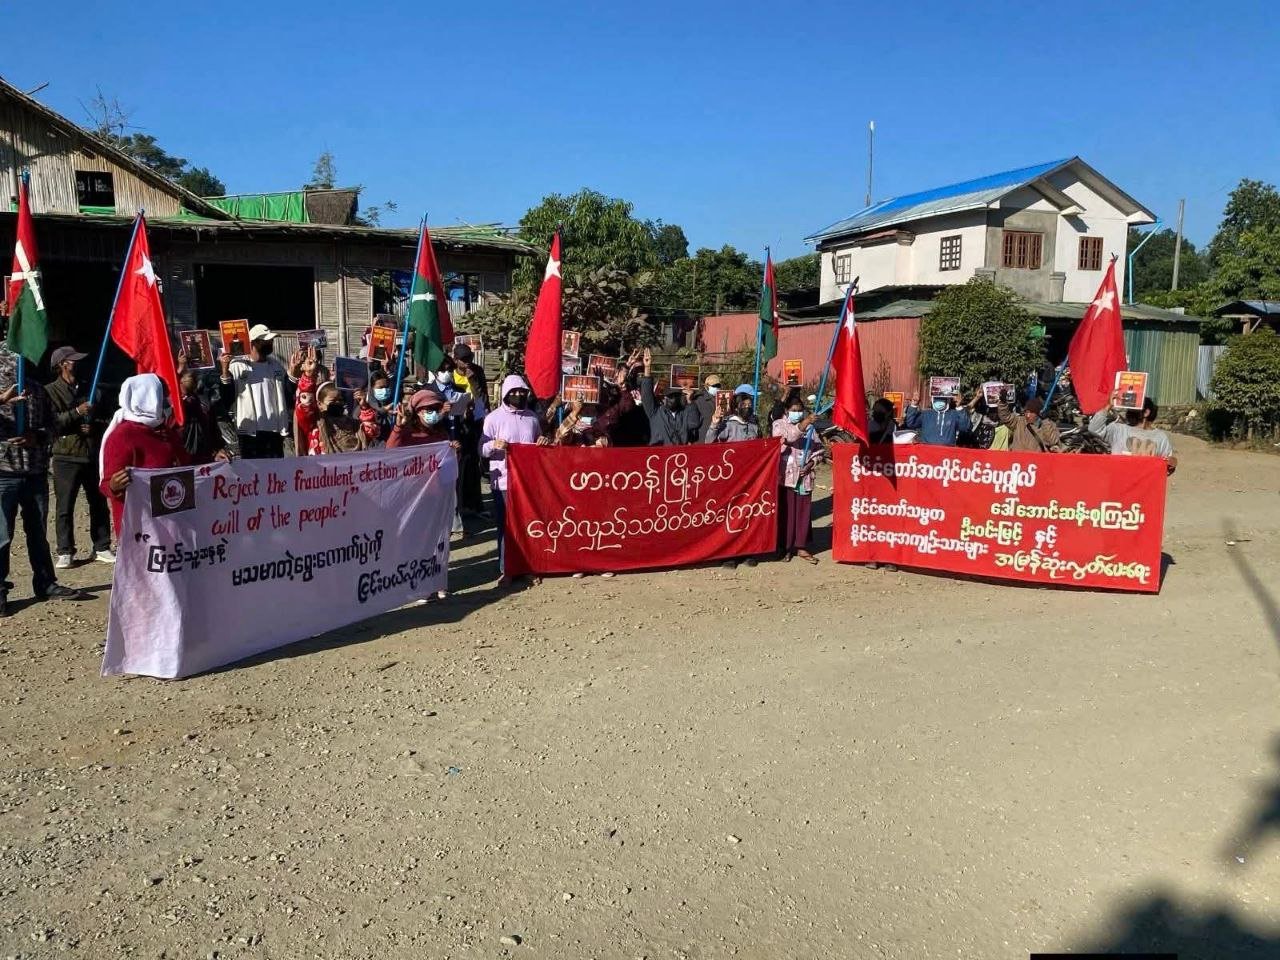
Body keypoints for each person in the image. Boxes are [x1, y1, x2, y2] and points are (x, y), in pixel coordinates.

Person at [0, 344, 89, 616]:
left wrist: (36, 437)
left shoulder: (38, 390)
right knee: (2, 536)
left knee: (38, 533)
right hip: (4, 474)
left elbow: (52, 427)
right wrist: (2, 401)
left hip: (35, 472)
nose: (15, 365)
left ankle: (46, 583)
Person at [44, 345, 113, 568]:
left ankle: (101, 546)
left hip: (91, 454)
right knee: (65, 506)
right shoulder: (49, 391)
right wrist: (76, 413)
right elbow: (51, 422)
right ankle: (65, 550)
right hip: (65, 456)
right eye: (72, 359)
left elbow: (107, 419)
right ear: (62, 364)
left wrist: (94, 426)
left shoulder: (91, 389)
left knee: (98, 502)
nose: (77, 363)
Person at [98, 374, 191, 538]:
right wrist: (114, 485)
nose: (166, 401)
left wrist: (215, 460)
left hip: (171, 519)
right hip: (141, 526)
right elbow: (107, 483)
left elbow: (185, 464)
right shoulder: (122, 436)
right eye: (161, 395)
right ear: (148, 398)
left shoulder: (166, 431)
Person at [481, 375, 545, 586]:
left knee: (527, 525)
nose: (518, 395)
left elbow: (538, 445)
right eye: (514, 392)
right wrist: (493, 445)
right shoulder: (493, 419)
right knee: (506, 527)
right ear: (506, 394)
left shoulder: (532, 418)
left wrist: (542, 441)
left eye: (522, 392)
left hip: (528, 482)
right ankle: (506, 569)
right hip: (503, 482)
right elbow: (481, 449)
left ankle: (527, 567)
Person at [217, 323, 297, 459]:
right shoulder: (237, 365)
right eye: (266, 340)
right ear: (253, 342)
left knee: (274, 471)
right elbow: (227, 398)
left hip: (274, 430)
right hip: (249, 433)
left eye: (271, 340)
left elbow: (287, 396)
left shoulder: (276, 366)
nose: (270, 343)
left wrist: (294, 373)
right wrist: (225, 370)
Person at [773, 395, 824, 564]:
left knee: (803, 512)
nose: (798, 413)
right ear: (787, 410)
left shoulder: (810, 428)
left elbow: (819, 449)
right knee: (787, 513)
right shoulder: (779, 425)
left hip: (804, 476)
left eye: (800, 410)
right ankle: (786, 547)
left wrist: (811, 463)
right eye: (794, 410)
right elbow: (787, 438)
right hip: (786, 477)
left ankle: (801, 546)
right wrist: (805, 423)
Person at [1089, 394, 1177, 474]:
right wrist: (1108, 406)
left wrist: (1172, 463)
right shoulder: (1118, 429)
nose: (1129, 411)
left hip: (1145, 485)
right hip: (1118, 483)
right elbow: (1094, 429)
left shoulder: (1160, 437)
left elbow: (1166, 467)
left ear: (1146, 412)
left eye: (1134, 408)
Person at [451, 342, 489, 516]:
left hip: (475, 421)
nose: (467, 362)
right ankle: (459, 504)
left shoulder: (477, 371)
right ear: (455, 360)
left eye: (470, 358)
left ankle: (475, 504)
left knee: (474, 462)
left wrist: (473, 380)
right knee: (460, 463)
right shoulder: (450, 374)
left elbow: (482, 396)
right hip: (457, 422)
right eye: (464, 359)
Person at [638, 348, 697, 445]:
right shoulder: (655, 413)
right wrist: (647, 368)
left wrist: (690, 402)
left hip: (680, 453)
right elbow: (646, 395)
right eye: (670, 396)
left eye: (675, 396)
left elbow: (694, 423)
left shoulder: (684, 413)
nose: (672, 399)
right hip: (660, 452)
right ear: (664, 398)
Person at [177, 366, 229, 465]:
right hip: (182, 461)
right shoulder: (170, 406)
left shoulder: (202, 404)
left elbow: (212, 429)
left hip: (204, 459)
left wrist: (218, 450)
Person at [308, 382, 368, 455]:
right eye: (333, 401)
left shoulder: (354, 424)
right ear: (320, 404)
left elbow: (371, 431)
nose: (337, 403)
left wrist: (364, 406)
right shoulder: (318, 425)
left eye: (340, 400)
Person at [995, 395, 1061, 453]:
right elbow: (1006, 417)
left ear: (1039, 414)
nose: (1028, 415)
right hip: (1018, 460)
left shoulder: (1049, 425)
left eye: (1031, 412)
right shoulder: (1019, 421)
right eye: (1026, 412)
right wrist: (1003, 403)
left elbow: (1052, 442)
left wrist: (1045, 421)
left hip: (1037, 461)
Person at [902, 391, 968, 446]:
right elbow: (911, 423)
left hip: (947, 452)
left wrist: (959, 407)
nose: (939, 401)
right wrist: (914, 405)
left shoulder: (953, 414)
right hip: (927, 451)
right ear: (932, 399)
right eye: (936, 399)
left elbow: (965, 427)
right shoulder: (926, 414)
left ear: (947, 400)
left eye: (942, 399)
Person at [689, 373, 723, 441]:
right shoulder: (698, 400)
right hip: (703, 439)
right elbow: (693, 422)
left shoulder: (722, 398)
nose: (717, 388)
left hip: (719, 438)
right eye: (714, 386)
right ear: (707, 387)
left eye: (718, 385)